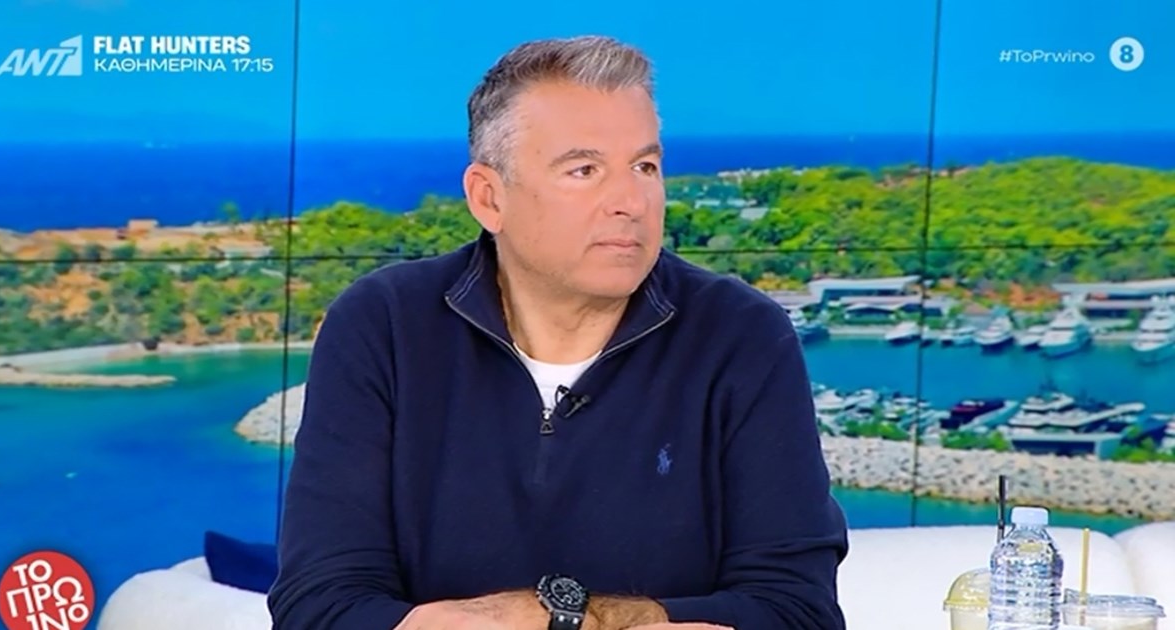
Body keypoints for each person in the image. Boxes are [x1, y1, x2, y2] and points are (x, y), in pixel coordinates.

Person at [268, 35, 849, 630]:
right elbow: (320, 605)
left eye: (645, 167)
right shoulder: (385, 325)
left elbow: (797, 610)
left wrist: (587, 619)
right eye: (584, 170)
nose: (630, 201)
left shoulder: (741, 333)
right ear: (489, 198)